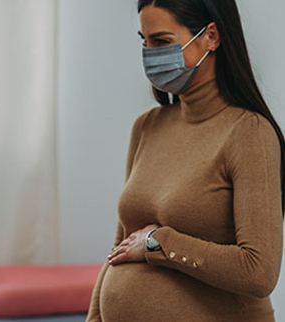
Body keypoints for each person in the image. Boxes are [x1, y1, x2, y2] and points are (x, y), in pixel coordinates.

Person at [86, 0, 284, 321]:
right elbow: (119, 250)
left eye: (161, 42)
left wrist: (157, 243)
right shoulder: (147, 127)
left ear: (211, 37)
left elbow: (259, 271)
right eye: (144, 41)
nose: (150, 54)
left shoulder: (250, 134)